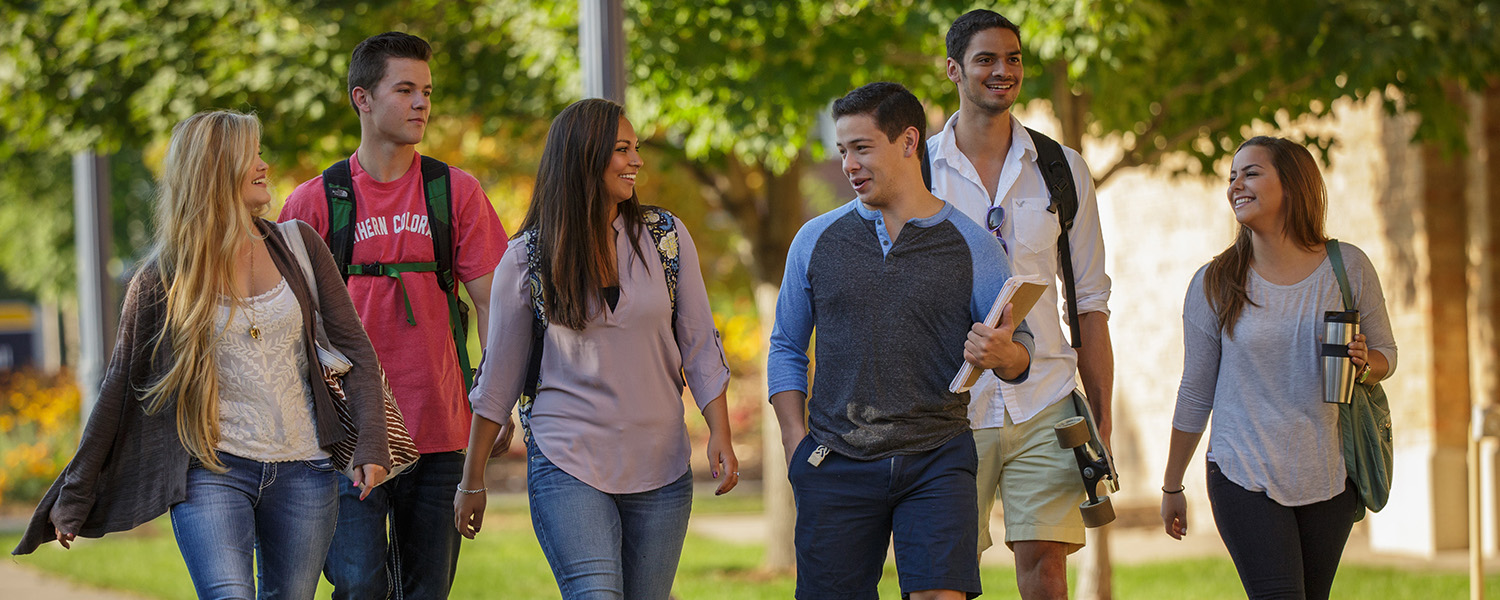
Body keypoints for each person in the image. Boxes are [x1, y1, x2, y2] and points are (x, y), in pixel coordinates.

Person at [12, 110, 392, 599]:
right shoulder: (164, 277)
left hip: (306, 468)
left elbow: (355, 348)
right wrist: (75, 493)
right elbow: (118, 387)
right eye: (251, 155)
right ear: (216, 167)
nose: (264, 165)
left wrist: (372, 443)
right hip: (211, 469)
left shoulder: (299, 246)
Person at [455, 98, 739, 600]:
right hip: (569, 459)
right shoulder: (526, 259)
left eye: (636, 148)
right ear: (585, 156)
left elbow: (698, 342)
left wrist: (720, 431)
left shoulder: (666, 238)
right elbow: (496, 379)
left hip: (661, 463)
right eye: (622, 149)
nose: (637, 161)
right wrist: (471, 480)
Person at [769, 81, 1035, 600]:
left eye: (862, 148)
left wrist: (1006, 355)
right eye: (843, 150)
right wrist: (793, 444)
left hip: (937, 458)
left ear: (908, 142)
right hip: (835, 459)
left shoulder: (975, 246)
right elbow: (786, 346)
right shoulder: (815, 240)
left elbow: (1018, 348)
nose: (849, 164)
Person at [277, 32, 510, 599]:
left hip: (439, 426)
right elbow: (287, 327)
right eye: (404, 89)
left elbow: (495, 304)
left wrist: (498, 401)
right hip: (350, 432)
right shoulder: (313, 202)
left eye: (426, 92)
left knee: (426, 590)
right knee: (359, 586)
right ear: (362, 98)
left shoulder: (455, 193)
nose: (421, 104)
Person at [926, 10, 1115, 598]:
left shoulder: (1062, 168)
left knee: (1046, 565)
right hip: (950, 405)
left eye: (1012, 58)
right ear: (954, 69)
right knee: (944, 574)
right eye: (986, 59)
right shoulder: (918, 169)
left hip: (1046, 401)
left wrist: (1100, 413)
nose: (1002, 71)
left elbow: (1090, 302)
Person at [1159, 136, 1396, 599]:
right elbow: (1195, 391)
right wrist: (1172, 483)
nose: (1235, 185)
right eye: (1232, 176)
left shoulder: (1348, 267)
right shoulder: (1215, 282)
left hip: (1329, 475)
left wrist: (1366, 364)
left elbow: (1387, 354)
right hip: (1242, 472)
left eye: (1250, 173)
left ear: (1292, 184)